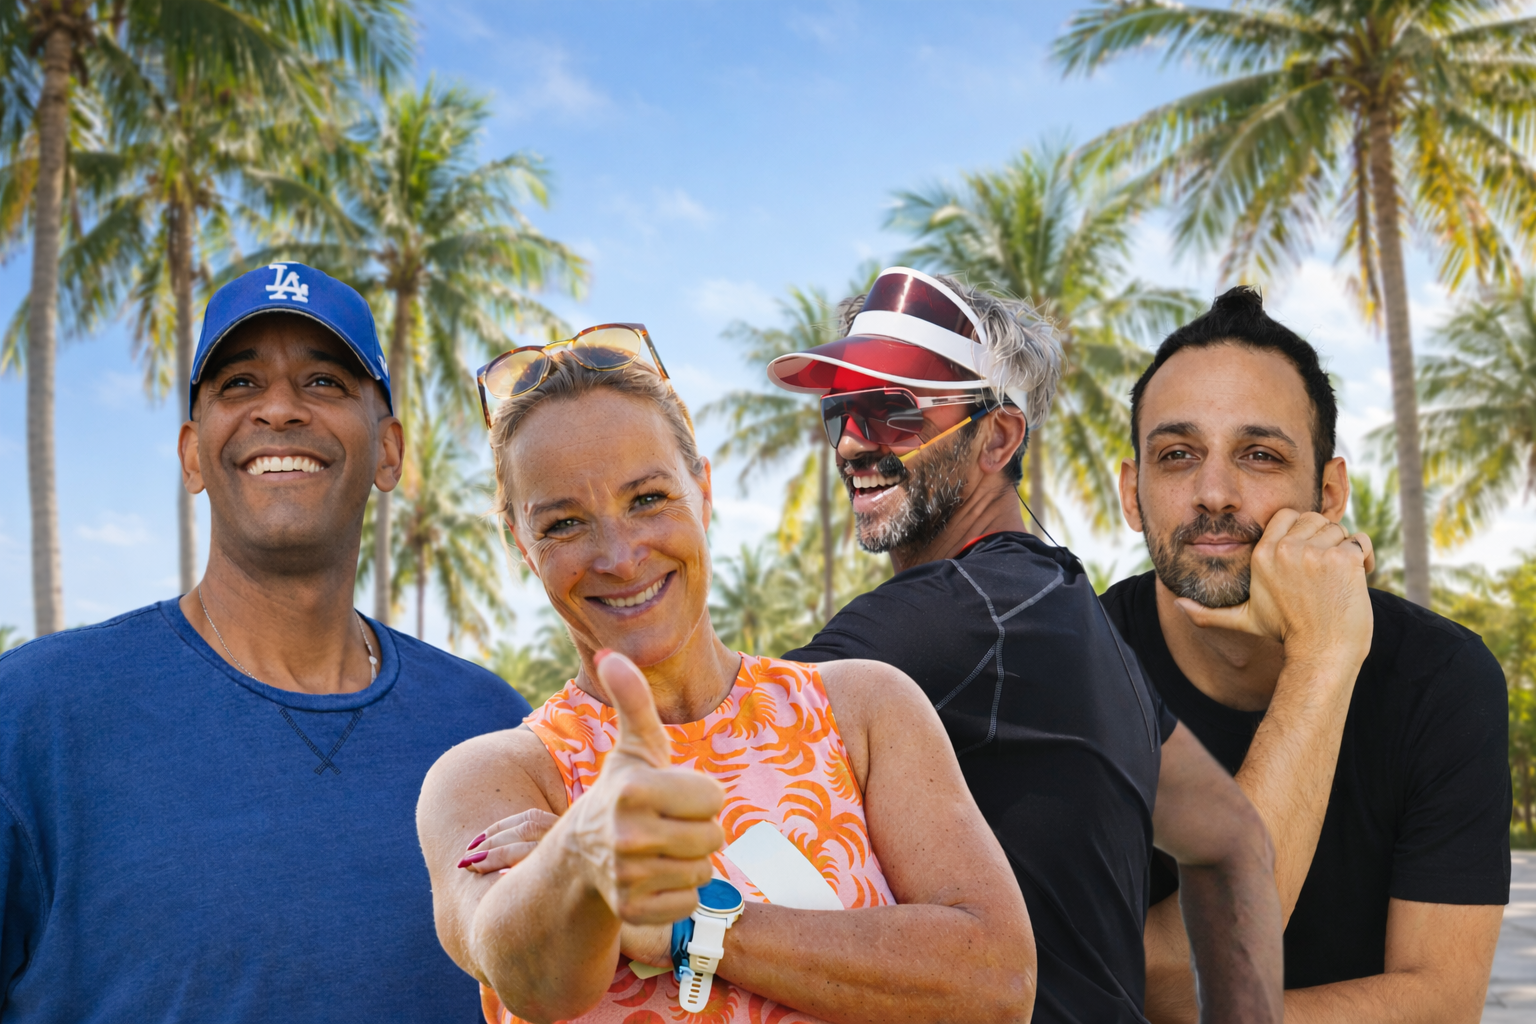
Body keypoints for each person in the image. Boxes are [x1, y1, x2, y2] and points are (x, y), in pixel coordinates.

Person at [416, 327, 1037, 1024]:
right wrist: (583, 854)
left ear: (702, 492)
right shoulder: (494, 779)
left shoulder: (863, 710)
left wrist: (687, 924)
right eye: (563, 523)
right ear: (521, 547)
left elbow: (995, 983)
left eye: (648, 498)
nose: (620, 556)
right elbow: (528, 976)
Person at [0, 262, 530, 1022]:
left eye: (323, 382)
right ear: (191, 453)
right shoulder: (31, 718)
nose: (279, 409)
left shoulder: (488, 730)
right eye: (240, 383)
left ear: (389, 451)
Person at [770, 266, 1283, 1024]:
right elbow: (1234, 840)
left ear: (998, 436)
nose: (852, 443)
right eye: (840, 411)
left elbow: (715, 736)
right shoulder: (1081, 628)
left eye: (893, 411)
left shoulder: (961, 615)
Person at [1099, 286, 1512, 1023]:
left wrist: (1325, 654)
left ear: (1327, 494)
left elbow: (1443, 1001)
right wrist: (1323, 659)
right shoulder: (1076, 667)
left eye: (1258, 455)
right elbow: (1142, 978)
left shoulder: (1442, 679)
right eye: (1176, 455)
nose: (1214, 492)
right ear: (1134, 494)